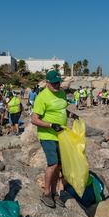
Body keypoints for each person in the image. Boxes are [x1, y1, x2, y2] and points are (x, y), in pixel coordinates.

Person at [31, 70, 79, 208]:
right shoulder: (42, 97)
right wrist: (51, 125)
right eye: (54, 83)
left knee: (59, 165)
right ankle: (46, 193)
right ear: (47, 83)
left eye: (58, 82)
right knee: (52, 163)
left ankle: (54, 193)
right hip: (48, 135)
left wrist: (72, 115)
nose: (57, 85)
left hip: (61, 135)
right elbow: (34, 119)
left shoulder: (62, 93)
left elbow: (62, 109)